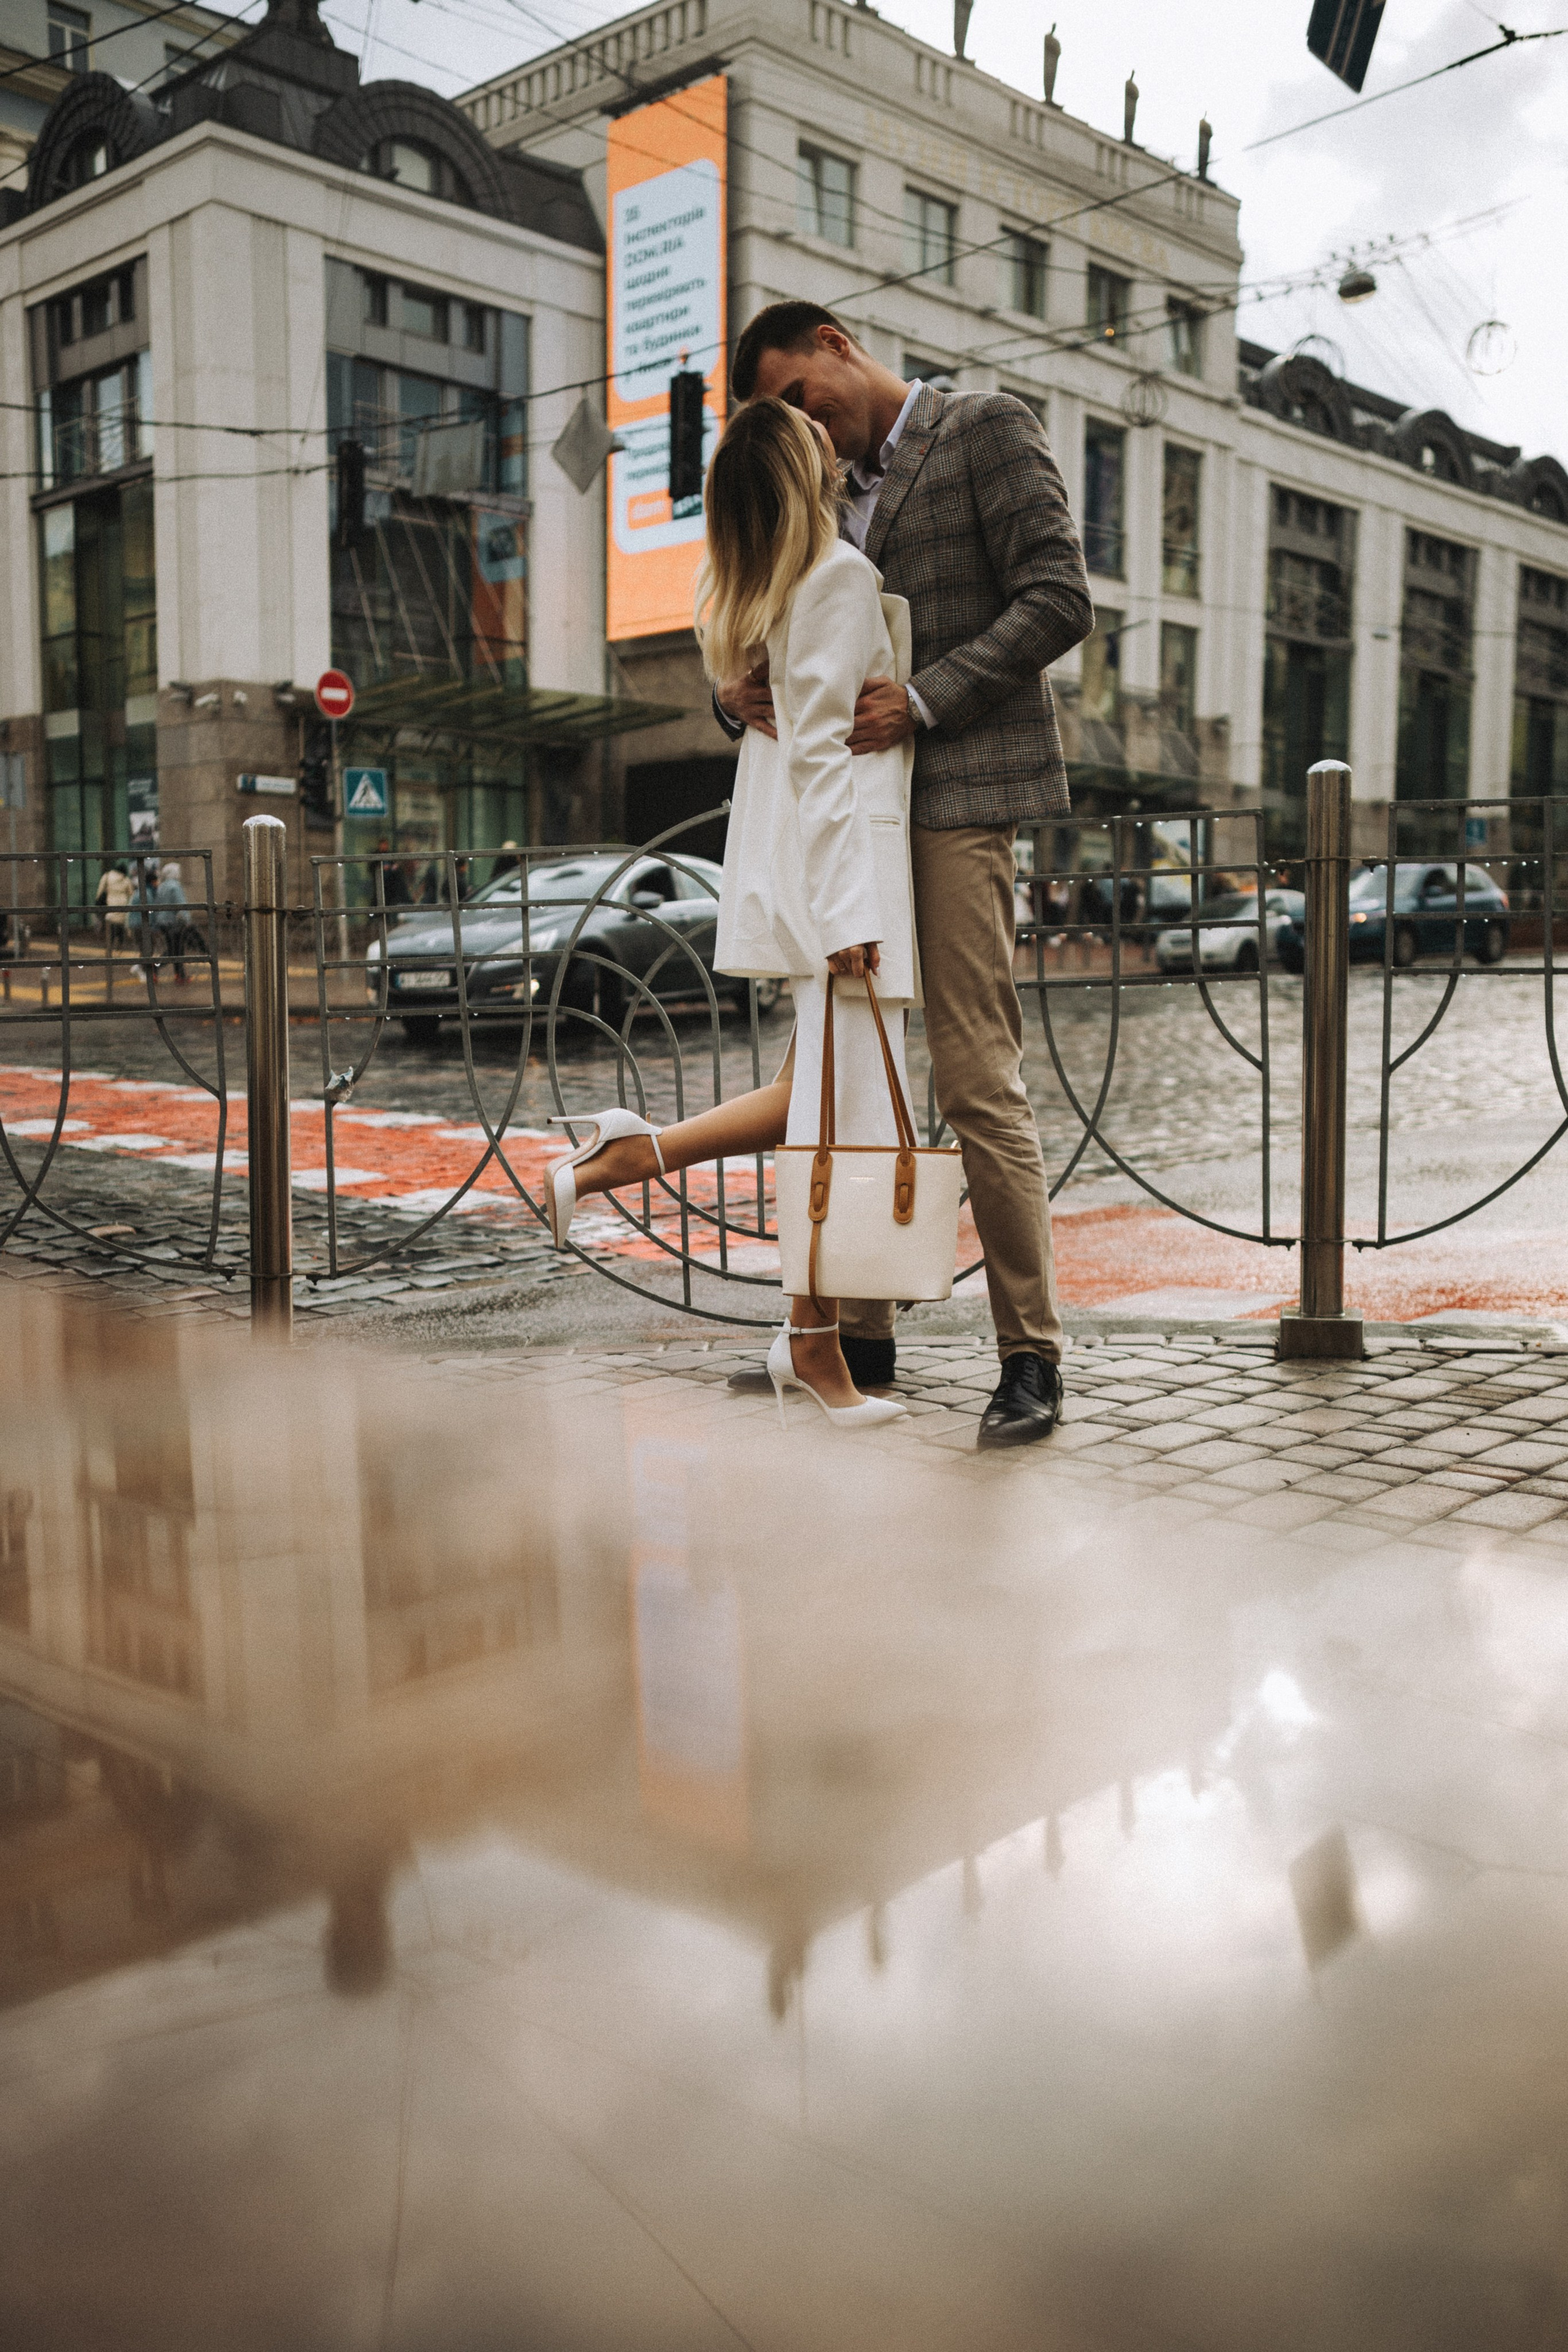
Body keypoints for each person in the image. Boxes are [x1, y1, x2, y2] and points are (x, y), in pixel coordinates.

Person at [712, 304, 1093, 1449]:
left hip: (958, 803)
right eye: (781, 416)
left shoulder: (984, 427)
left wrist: (927, 698)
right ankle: (856, 1338)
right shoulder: (815, 485)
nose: (806, 423)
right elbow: (773, 627)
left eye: (806, 395)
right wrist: (734, 697)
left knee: (979, 1080)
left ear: (837, 341)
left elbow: (1060, 595)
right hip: (849, 828)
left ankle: (1030, 1357)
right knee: (848, 1083)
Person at [544, 398, 913, 1432]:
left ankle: (634, 1157)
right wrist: (851, 916)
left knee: (819, 1110)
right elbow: (826, 764)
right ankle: (811, 1343)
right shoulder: (834, 581)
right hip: (845, 888)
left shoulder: (774, 593)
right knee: (837, 1131)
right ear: (807, 478)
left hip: (819, 877)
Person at [153, 859, 192, 981]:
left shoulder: (162, 886)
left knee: (174, 949)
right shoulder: (175, 886)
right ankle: (156, 968)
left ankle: (179, 974)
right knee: (176, 950)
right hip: (174, 923)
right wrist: (187, 920)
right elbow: (181, 905)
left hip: (162, 922)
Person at [95, 861, 133, 944]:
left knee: (111, 922)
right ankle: (121, 943)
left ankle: (110, 943)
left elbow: (100, 890)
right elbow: (131, 893)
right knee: (121, 923)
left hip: (111, 901)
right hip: (123, 901)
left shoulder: (107, 876)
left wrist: (98, 900)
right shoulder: (126, 879)